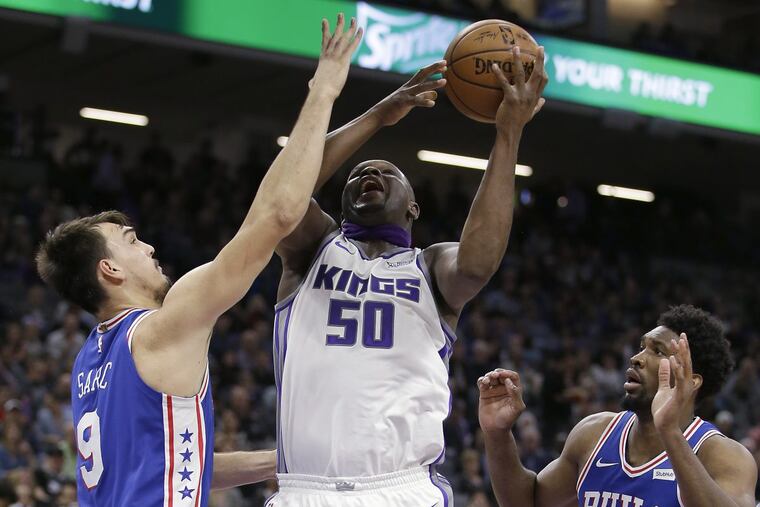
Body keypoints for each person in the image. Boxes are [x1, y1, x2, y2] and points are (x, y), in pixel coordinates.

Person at [34, 15, 362, 507]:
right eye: (131, 240)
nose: (148, 247)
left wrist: (283, 460)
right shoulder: (161, 327)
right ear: (110, 269)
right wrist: (325, 88)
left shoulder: (89, 362)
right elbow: (277, 216)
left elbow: (179, 465)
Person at [269, 46, 548, 505]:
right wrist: (377, 116)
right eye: (359, 173)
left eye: (386, 172)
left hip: (400, 488)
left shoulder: (431, 266)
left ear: (413, 206)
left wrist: (508, 134)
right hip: (304, 488)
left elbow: (478, 262)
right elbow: (283, 194)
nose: (370, 174)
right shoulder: (311, 249)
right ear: (341, 203)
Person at [477, 304, 757, 507]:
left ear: (692, 380)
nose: (636, 357)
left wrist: (670, 431)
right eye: (641, 346)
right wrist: (497, 434)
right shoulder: (594, 433)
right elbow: (527, 503)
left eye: (657, 351)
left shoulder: (723, 456)